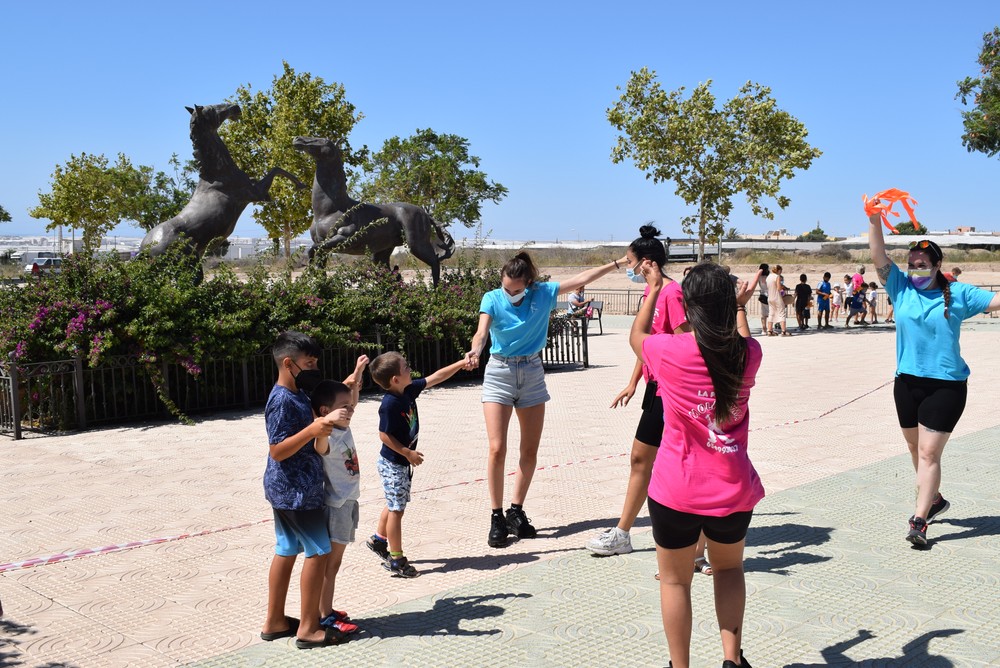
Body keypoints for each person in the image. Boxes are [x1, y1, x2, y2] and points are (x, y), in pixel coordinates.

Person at [632, 261, 764, 668]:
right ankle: (731, 659)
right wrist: (739, 308)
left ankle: (680, 666)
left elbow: (638, 336)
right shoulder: (749, 354)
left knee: (675, 580)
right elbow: (739, 339)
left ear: (687, 307)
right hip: (732, 488)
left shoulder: (667, 350)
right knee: (728, 571)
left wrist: (654, 288)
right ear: (728, 304)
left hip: (676, 489)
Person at [467, 250, 629, 548]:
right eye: (506, 287)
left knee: (529, 450)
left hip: (531, 371)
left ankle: (516, 511)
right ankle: (496, 516)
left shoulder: (542, 293)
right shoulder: (492, 298)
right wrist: (476, 350)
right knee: (496, 448)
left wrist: (617, 264)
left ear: (528, 284)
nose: (510, 293)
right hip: (499, 371)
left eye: (516, 289)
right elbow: (481, 332)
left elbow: (582, 278)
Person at [868, 214, 1000, 546]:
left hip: (946, 386)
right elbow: (878, 256)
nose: (916, 271)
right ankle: (936, 499)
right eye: (912, 265)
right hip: (907, 385)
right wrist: (873, 220)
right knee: (915, 448)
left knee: (928, 453)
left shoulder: (959, 293)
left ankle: (920, 520)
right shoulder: (899, 287)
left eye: (923, 265)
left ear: (938, 265)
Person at [587, 225, 702, 565]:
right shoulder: (651, 294)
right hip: (655, 387)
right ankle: (624, 533)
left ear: (647, 264)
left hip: (673, 392)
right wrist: (633, 381)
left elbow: (685, 341)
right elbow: (647, 343)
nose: (630, 270)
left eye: (632, 264)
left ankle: (684, 539)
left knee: (657, 461)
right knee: (641, 459)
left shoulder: (671, 293)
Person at [261, 331, 345, 649]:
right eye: (308, 363)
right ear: (288, 363)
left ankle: (275, 621)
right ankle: (309, 628)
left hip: (289, 488)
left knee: (286, 549)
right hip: (296, 490)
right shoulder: (282, 399)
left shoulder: (295, 393)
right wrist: (312, 429)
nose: (313, 368)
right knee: (319, 550)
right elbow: (277, 450)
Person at [366, 351, 471, 576]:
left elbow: (436, 377)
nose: (410, 369)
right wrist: (407, 453)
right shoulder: (389, 404)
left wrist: (462, 362)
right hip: (393, 463)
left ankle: (379, 540)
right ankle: (396, 559)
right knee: (397, 509)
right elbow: (384, 435)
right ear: (395, 379)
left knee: (394, 502)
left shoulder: (407, 390)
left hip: (400, 463)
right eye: (405, 367)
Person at [310, 355, 370, 638]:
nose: (351, 410)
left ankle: (325, 610)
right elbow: (319, 442)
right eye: (344, 408)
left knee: (333, 565)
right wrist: (325, 421)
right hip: (336, 507)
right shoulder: (328, 436)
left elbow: (351, 396)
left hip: (348, 502)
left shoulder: (343, 426)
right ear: (325, 411)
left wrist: (357, 372)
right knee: (330, 566)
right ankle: (325, 616)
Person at [765, 264, 790, 336]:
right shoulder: (777, 277)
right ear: (779, 270)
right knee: (782, 313)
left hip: (770, 297)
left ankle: (769, 330)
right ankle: (784, 331)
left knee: (771, 313)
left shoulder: (768, 277)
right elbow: (779, 288)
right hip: (777, 297)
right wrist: (783, 292)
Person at [757, 264, 770, 335]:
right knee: (770, 313)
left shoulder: (759, 277)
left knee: (763, 314)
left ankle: (764, 328)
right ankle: (769, 328)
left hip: (762, 295)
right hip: (769, 295)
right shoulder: (769, 276)